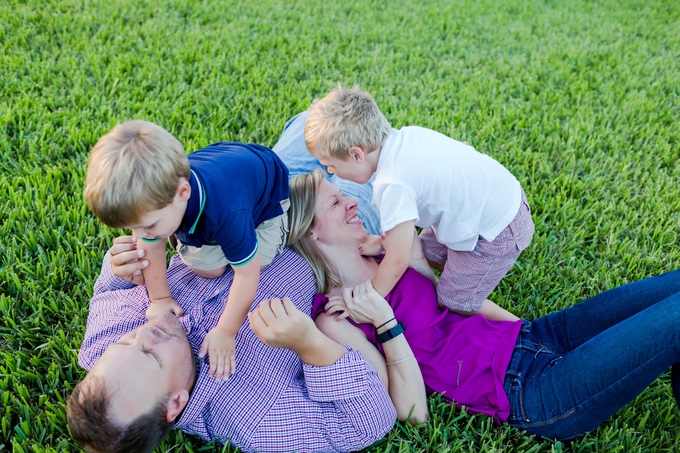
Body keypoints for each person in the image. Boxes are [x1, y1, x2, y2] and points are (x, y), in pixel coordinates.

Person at [287, 169, 680, 440]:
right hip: (533, 392)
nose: (352, 203)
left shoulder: (383, 255)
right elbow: (410, 413)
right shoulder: (335, 320)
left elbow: (450, 303)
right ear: (310, 231)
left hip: (536, 338)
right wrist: (385, 322)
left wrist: (417, 260)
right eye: (336, 204)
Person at [66, 236, 396, 453]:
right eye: (151, 355)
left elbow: (109, 291)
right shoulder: (254, 420)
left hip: (250, 208)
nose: (144, 333)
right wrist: (310, 344)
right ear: (176, 403)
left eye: (125, 343)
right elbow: (368, 424)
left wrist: (120, 265)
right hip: (323, 237)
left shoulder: (99, 349)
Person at [304, 86, 534, 321]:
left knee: (453, 300)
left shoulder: (392, 184)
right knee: (425, 251)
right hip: (497, 200)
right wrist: (384, 242)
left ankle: (520, 327)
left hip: (496, 232)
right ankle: (464, 276)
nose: (331, 171)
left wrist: (367, 302)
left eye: (331, 165)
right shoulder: (406, 136)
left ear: (356, 155)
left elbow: (398, 260)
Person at [84, 121, 291, 379]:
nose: (139, 237)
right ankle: (191, 235)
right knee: (208, 267)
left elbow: (247, 275)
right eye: (133, 228)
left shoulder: (227, 215)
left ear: (182, 192)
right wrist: (159, 299)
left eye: (147, 226)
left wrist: (226, 331)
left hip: (267, 195)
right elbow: (151, 244)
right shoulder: (161, 197)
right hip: (225, 174)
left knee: (259, 260)